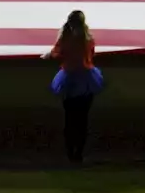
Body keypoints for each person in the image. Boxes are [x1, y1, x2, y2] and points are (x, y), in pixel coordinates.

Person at [44, 10, 102, 163]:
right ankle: (79, 154)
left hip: (69, 78)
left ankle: (70, 152)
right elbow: (92, 55)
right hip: (87, 79)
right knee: (82, 120)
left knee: (70, 119)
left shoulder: (65, 38)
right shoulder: (88, 38)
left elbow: (56, 53)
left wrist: (49, 55)